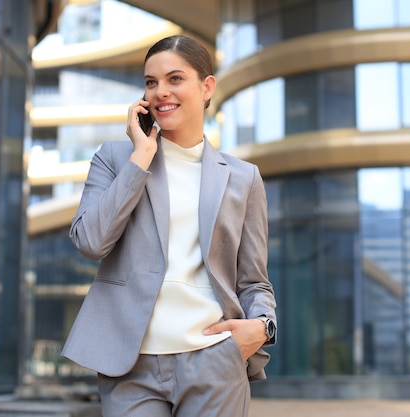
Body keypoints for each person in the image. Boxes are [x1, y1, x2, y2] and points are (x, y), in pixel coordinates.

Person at [61, 35, 277, 417]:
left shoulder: (244, 178)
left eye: (175, 79)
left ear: (206, 86)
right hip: (130, 363)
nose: (161, 92)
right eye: (150, 82)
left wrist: (262, 327)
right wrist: (141, 157)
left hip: (215, 357)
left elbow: (253, 280)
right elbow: (91, 241)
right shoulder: (115, 159)